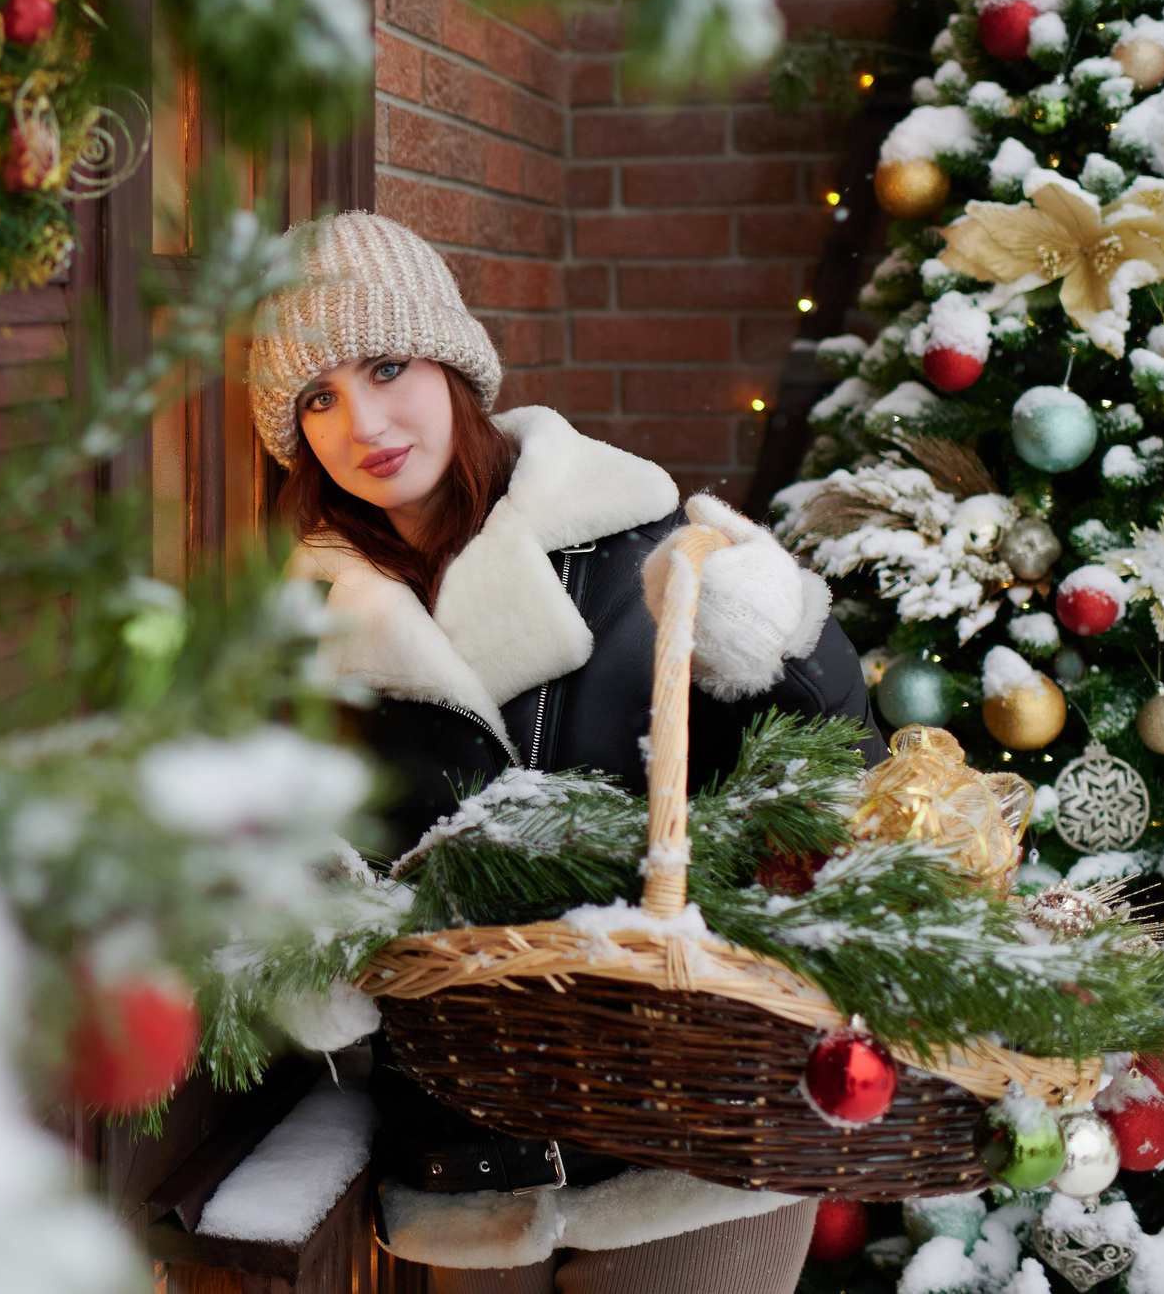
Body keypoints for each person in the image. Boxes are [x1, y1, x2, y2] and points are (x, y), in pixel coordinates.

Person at [245, 211, 878, 1294]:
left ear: (451, 365)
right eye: (318, 398)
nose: (363, 422)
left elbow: (840, 789)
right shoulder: (307, 636)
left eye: (387, 367)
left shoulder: (648, 554)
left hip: (693, 1151)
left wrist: (790, 640)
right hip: (469, 1177)